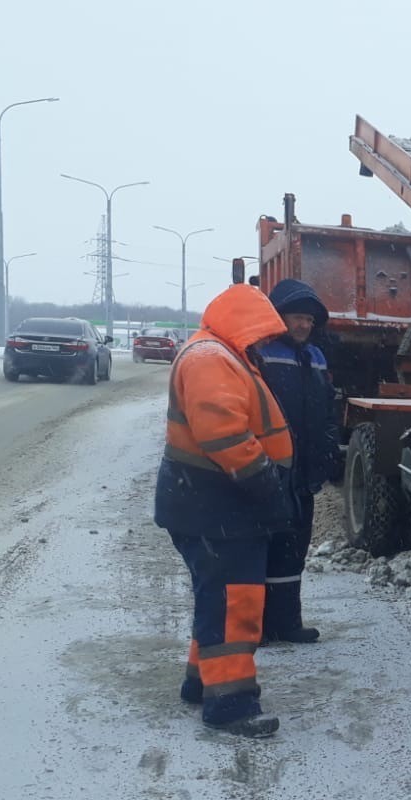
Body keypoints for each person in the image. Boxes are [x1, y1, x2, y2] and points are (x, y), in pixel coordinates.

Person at [155, 282, 296, 738]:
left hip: (209, 502)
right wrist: (266, 485)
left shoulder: (216, 353)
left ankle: (202, 682)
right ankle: (230, 704)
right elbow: (225, 435)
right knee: (235, 605)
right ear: (245, 322)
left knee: (217, 598)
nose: (264, 342)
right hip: (218, 503)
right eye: (261, 332)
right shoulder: (211, 359)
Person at [258, 278, 342, 644]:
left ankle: (287, 623)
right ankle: (255, 627)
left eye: (309, 319)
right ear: (279, 317)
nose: (304, 325)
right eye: (297, 317)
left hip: (303, 475)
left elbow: (327, 411)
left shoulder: (317, 358)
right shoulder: (260, 353)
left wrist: (327, 453)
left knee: (294, 550)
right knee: (261, 548)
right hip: (267, 472)